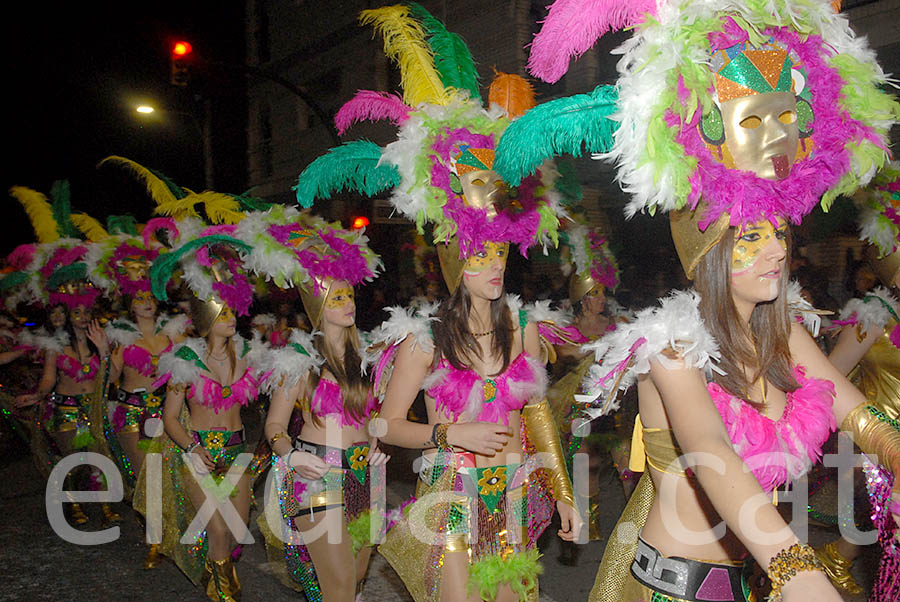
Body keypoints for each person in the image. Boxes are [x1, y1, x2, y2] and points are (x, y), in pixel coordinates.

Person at [495, 1, 899, 600]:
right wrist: (797, 572)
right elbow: (711, 450)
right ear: (708, 252)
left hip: (748, 579)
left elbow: (855, 412)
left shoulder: (783, 330)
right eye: (751, 238)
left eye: (779, 234)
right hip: (675, 588)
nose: (777, 252)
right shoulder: (671, 344)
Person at [235, 207, 387, 600]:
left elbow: (378, 418)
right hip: (316, 476)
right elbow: (274, 428)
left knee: (353, 582)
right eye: (336, 298)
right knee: (337, 587)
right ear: (318, 306)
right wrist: (290, 457)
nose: (347, 304)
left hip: (365, 478)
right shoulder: (298, 362)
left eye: (349, 295)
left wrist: (379, 442)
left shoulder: (368, 359)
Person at [147, 229, 270, 602]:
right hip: (199, 453)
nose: (232, 317)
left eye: (233, 310)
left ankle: (217, 569)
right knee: (217, 529)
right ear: (207, 316)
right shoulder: (183, 361)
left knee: (236, 529)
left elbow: (279, 387)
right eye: (224, 311)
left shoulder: (249, 353)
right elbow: (170, 418)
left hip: (237, 452)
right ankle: (224, 592)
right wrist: (192, 448)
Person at [816, 163, 900, 600]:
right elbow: (828, 378)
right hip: (881, 447)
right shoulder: (876, 316)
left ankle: (839, 554)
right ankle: (839, 555)